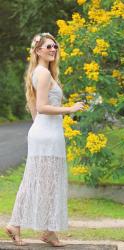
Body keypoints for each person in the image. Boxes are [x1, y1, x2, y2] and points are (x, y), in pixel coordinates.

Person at [5, 32, 85, 246]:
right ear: (38, 50)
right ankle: (19, 224)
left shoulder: (40, 73)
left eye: (55, 46)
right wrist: (69, 109)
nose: (53, 49)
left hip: (46, 133)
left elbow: (34, 108)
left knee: (44, 181)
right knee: (39, 181)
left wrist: (39, 128)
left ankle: (47, 230)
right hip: (47, 136)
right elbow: (40, 107)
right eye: (48, 46)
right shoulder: (43, 74)